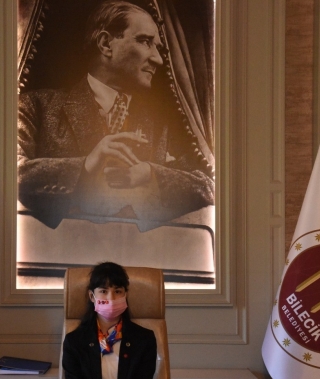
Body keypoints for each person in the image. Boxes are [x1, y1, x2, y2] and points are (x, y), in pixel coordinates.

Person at [18, 0, 214, 229]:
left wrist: (151, 174)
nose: (158, 60)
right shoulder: (35, 107)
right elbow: (6, 174)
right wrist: (86, 165)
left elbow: (209, 183)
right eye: (145, 41)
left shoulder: (165, 125)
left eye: (158, 47)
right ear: (106, 44)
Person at [62, 262, 157, 379]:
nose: (111, 298)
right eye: (103, 291)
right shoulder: (74, 342)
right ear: (92, 296)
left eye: (117, 291)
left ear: (125, 295)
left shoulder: (144, 340)